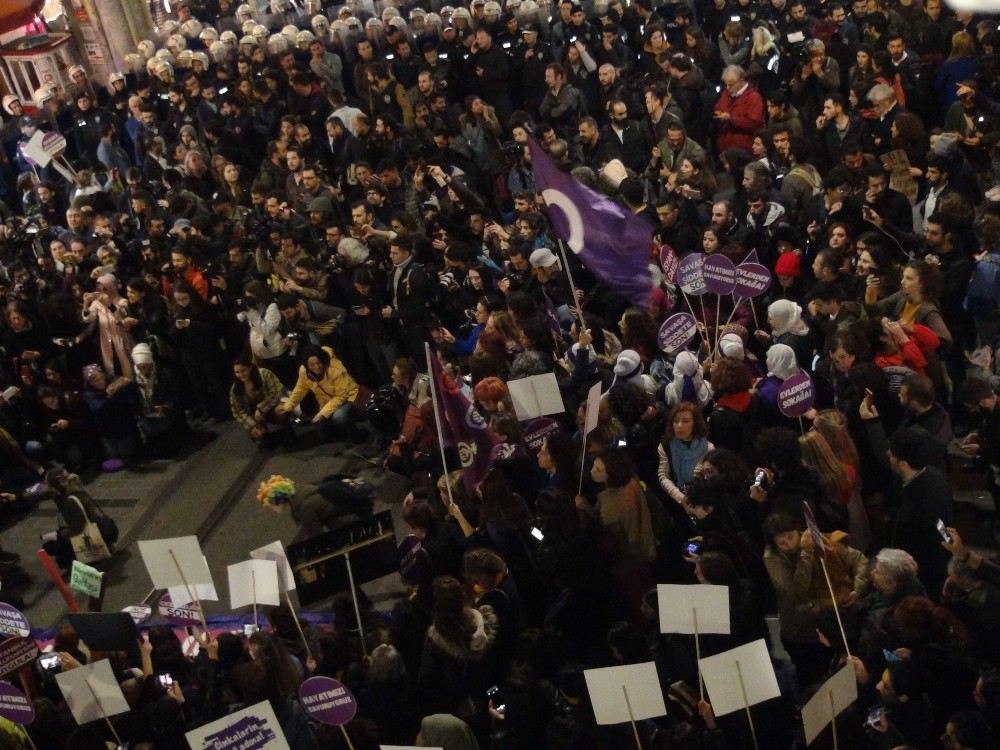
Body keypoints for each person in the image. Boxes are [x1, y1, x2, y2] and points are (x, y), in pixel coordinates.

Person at [277, 345, 364, 443]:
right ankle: (343, 433)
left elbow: (342, 396)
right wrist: (287, 406)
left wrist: (322, 413)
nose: (316, 367)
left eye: (319, 363)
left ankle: (357, 435)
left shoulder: (333, 367)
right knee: (323, 432)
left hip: (350, 398)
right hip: (328, 403)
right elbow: (300, 389)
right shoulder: (304, 371)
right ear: (306, 365)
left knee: (339, 416)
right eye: (312, 364)